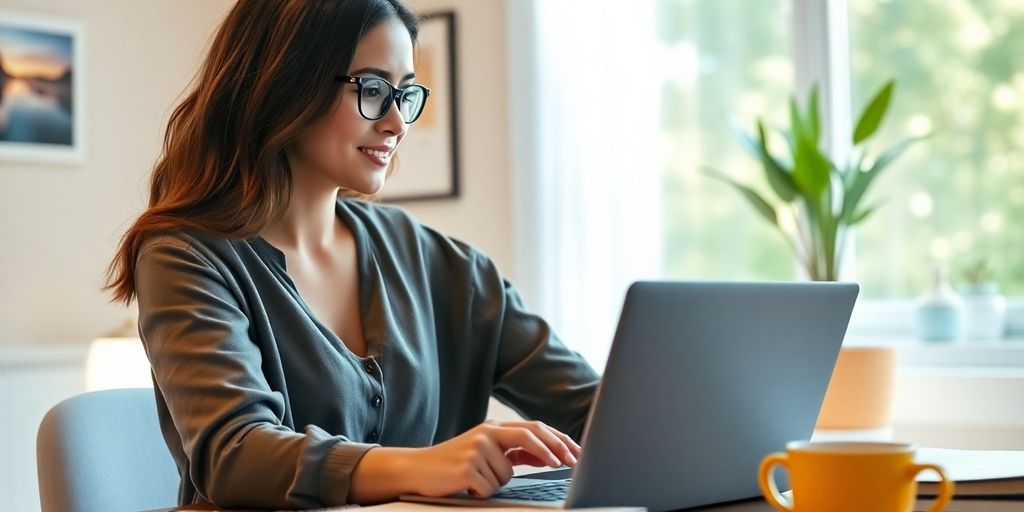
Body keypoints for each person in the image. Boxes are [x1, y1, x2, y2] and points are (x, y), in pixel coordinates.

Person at [105, 0, 600, 509]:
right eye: (370, 89)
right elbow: (236, 454)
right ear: (284, 83)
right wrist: (423, 465)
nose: (396, 123)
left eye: (404, 94)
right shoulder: (186, 258)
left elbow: (597, 409)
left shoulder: (435, 260)